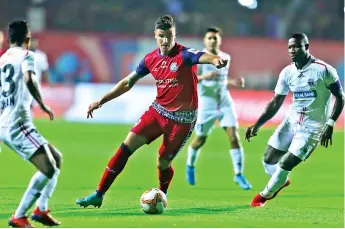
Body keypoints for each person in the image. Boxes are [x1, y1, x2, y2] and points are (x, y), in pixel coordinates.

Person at [76, 15, 228, 208]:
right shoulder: (150, 59)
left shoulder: (184, 54)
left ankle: (161, 196)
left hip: (182, 121)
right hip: (158, 112)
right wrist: (101, 100)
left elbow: (203, 56)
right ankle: (99, 194)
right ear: (155, 36)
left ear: (175, 35)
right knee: (125, 147)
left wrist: (215, 60)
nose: (166, 41)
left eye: (170, 36)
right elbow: (127, 83)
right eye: (162, 36)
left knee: (162, 164)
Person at [245, 33, 344, 207]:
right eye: (290, 47)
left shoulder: (324, 69)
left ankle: (263, 196)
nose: (292, 50)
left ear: (307, 47)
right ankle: (280, 180)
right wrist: (258, 124)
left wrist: (330, 123)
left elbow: (340, 97)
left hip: (313, 127)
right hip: (291, 121)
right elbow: (276, 101)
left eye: (297, 46)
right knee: (268, 160)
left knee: (285, 163)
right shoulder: (287, 72)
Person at [0, 21, 62, 227]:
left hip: (5, 123)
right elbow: (29, 78)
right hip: (18, 124)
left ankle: (41, 210)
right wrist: (43, 104)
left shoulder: (2, 61)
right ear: (27, 40)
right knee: (49, 168)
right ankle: (19, 216)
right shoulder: (28, 55)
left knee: (56, 157)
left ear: (8, 39)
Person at [185, 27, 251, 189]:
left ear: (220, 40)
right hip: (206, 103)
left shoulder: (225, 57)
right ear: (204, 41)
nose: (213, 40)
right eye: (210, 38)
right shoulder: (198, 58)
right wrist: (205, 76)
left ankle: (238, 174)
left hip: (224, 101)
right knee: (200, 139)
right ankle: (190, 165)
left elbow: (221, 79)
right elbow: (190, 80)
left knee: (234, 136)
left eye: (215, 38)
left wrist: (233, 82)